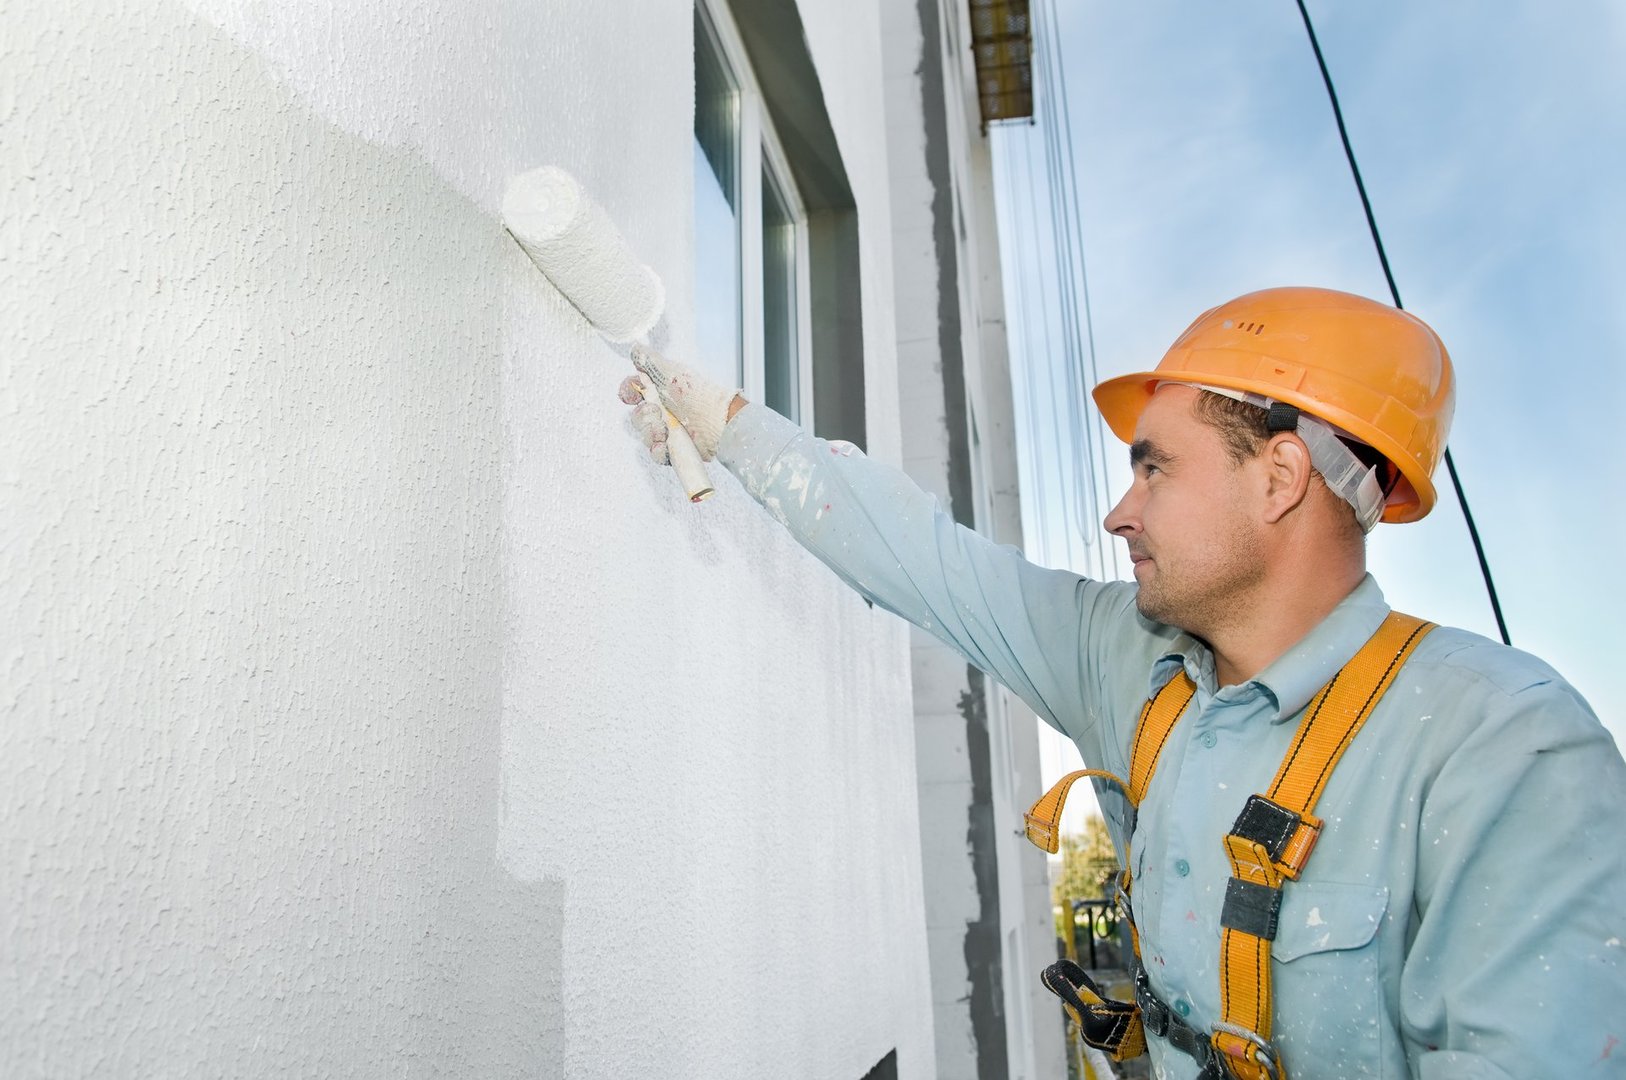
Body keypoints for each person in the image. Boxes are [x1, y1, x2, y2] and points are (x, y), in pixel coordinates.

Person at [618, 286, 1626, 1078]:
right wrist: (729, 427)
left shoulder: (1504, 746)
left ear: (1280, 478)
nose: (1119, 512)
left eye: (1156, 469)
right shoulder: (1132, 660)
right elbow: (923, 558)